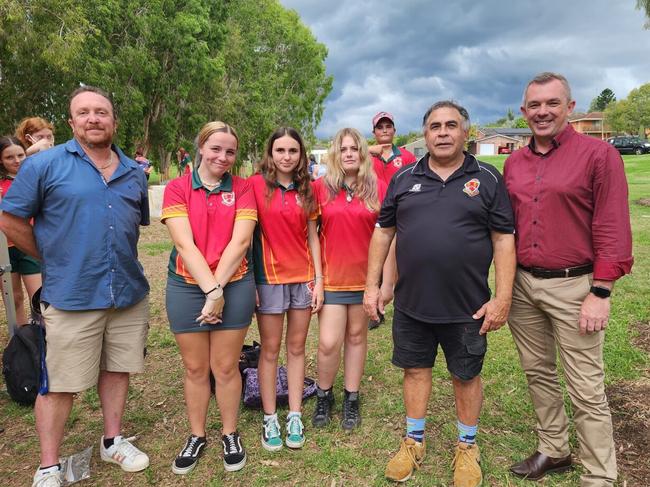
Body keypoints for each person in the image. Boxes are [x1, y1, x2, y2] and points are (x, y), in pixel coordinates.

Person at [0, 86, 151, 487]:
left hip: (126, 292)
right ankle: (48, 465)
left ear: (114, 120)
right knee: (59, 382)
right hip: (71, 294)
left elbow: (133, 225)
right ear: (71, 122)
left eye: (101, 111)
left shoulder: (133, 172)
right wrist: (52, 257)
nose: (93, 118)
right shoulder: (44, 166)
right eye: (84, 112)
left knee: (118, 368)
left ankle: (112, 440)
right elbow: (11, 218)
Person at [365, 101, 516, 486]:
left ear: (466, 132)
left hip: (468, 306)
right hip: (413, 304)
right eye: (435, 126)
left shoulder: (487, 178)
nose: (443, 132)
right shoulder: (404, 178)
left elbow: (503, 238)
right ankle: (413, 441)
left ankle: (467, 447)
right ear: (425, 133)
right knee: (416, 370)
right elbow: (384, 232)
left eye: (451, 125)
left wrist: (502, 298)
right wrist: (373, 285)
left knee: (465, 375)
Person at [503, 72, 633, 486]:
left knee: (586, 386)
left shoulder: (598, 156)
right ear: (524, 112)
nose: (542, 112)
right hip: (524, 285)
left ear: (570, 108)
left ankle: (599, 474)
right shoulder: (513, 163)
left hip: (575, 285)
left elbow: (612, 225)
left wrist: (601, 290)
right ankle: (554, 448)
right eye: (534, 105)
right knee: (537, 372)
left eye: (551, 104)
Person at [162, 121, 257, 474]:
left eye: (230, 151)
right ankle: (197, 434)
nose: (223, 156)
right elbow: (183, 244)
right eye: (216, 148)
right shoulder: (177, 187)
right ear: (201, 147)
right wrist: (211, 291)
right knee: (195, 368)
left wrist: (218, 291)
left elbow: (240, 242)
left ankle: (230, 433)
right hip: (187, 287)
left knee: (225, 367)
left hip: (234, 284)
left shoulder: (244, 188)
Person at [311, 127, 392, 432]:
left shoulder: (379, 188)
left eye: (354, 149)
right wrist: (317, 278)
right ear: (335, 153)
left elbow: (390, 237)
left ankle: (351, 397)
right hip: (332, 278)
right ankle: (324, 394)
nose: (349, 154)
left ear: (363, 154)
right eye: (343, 149)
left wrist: (386, 283)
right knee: (329, 342)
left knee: (357, 338)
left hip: (364, 279)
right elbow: (312, 236)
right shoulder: (320, 188)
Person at [249, 127, 324, 452]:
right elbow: (246, 234)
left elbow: (313, 237)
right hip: (268, 279)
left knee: (296, 348)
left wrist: (319, 279)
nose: (286, 156)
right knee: (269, 349)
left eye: (293, 151)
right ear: (271, 153)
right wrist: (249, 280)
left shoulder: (308, 190)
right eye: (280, 150)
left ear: (301, 155)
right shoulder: (254, 186)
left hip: (302, 278)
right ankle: (270, 417)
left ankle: (294, 413)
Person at [0, 136, 42, 325]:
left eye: (20, 155)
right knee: (14, 298)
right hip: (4, 249)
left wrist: (35, 148)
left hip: (28, 244)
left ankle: (43, 337)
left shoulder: (33, 177)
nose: (16, 161)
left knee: (38, 298)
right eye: (9, 157)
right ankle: (22, 339)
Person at [368, 111, 417, 185]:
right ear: (374, 133)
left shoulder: (408, 156)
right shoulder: (365, 156)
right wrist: (367, 150)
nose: (384, 131)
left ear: (394, 131)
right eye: (380, 127)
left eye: (388, 126)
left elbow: (415, 183)